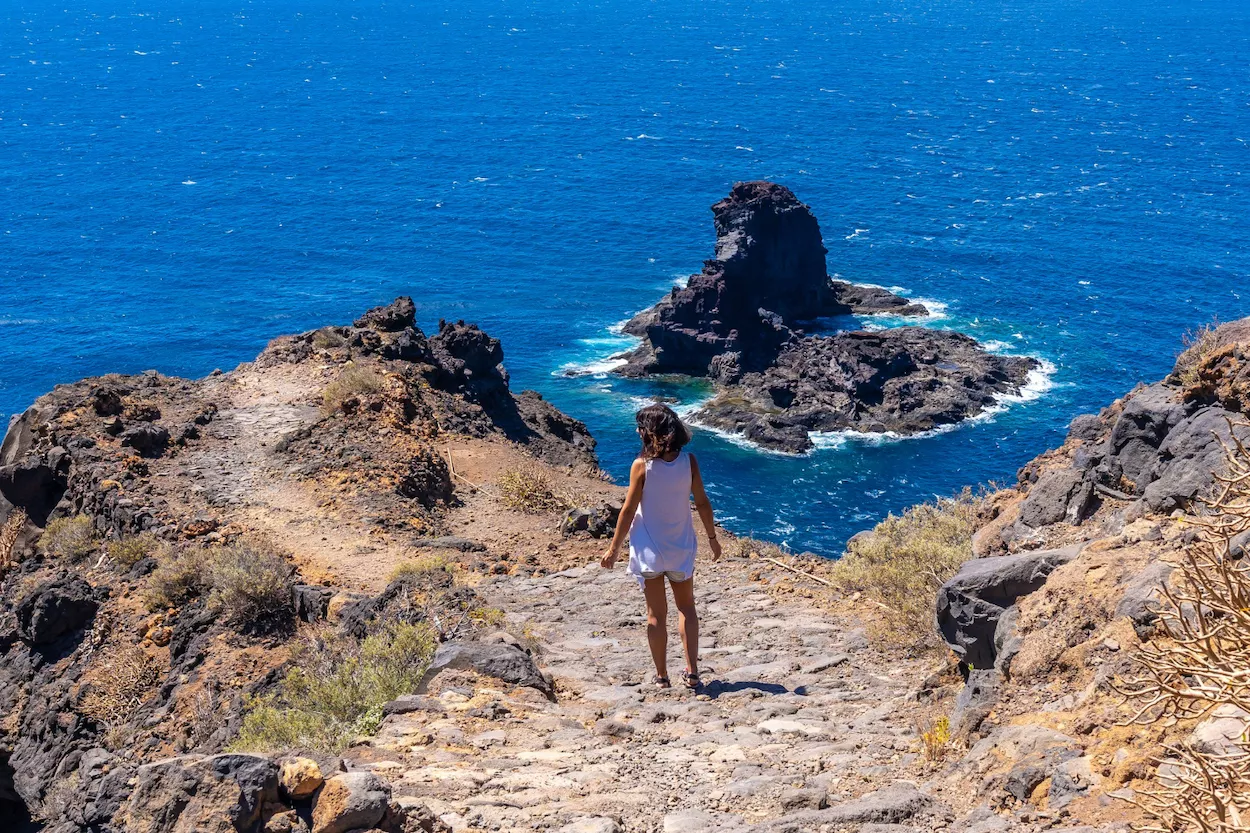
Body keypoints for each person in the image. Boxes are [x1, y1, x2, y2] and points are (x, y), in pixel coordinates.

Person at [601, 403, 722, 689]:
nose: (637, 431)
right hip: (680, 548)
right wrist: (712, 539)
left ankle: (661, 676)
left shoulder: (641, 466)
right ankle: (692, 673)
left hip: (649, 552)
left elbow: (628, 510)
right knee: (687, 608)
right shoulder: (689, 462)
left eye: (640, 427)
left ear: (649, 432)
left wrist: (614, 549)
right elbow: (702, 503)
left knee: (656, 615)